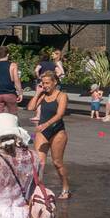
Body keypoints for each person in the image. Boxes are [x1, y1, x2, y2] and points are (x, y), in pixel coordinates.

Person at [27, 71, 70, 199]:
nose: (45, 85)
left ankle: (65, 187)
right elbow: (30, 108)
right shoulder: (42, 95)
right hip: (43, 133)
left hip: (58, 132)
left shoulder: (61, 95)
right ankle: (38, 189)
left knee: (57, 162)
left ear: (55, 82)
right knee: (40, 162)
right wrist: (38, 93)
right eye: (43, 83)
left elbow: (60, 114)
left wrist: (46, 124)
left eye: (47, 83)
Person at [0, 46, 21, 114]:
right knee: (13, 117)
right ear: (8, 54)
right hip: (10, 94)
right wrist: (20, 93)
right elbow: (16, 81)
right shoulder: (13, 65)